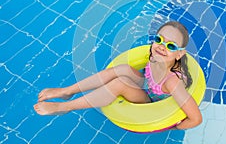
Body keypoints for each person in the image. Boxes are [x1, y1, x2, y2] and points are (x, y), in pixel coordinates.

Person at [34, 21, 202, 130]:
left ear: (179, 54)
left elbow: (196, 118)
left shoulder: (172, 83)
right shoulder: (154, 57)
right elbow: (145, 70)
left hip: (154, 99)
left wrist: (171, 126)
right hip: (148, 84)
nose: (162, 46)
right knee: (121, 69)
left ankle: (65, 107)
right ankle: (67, 91)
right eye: (159, 39)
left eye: (171, 46)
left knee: (119, 83)